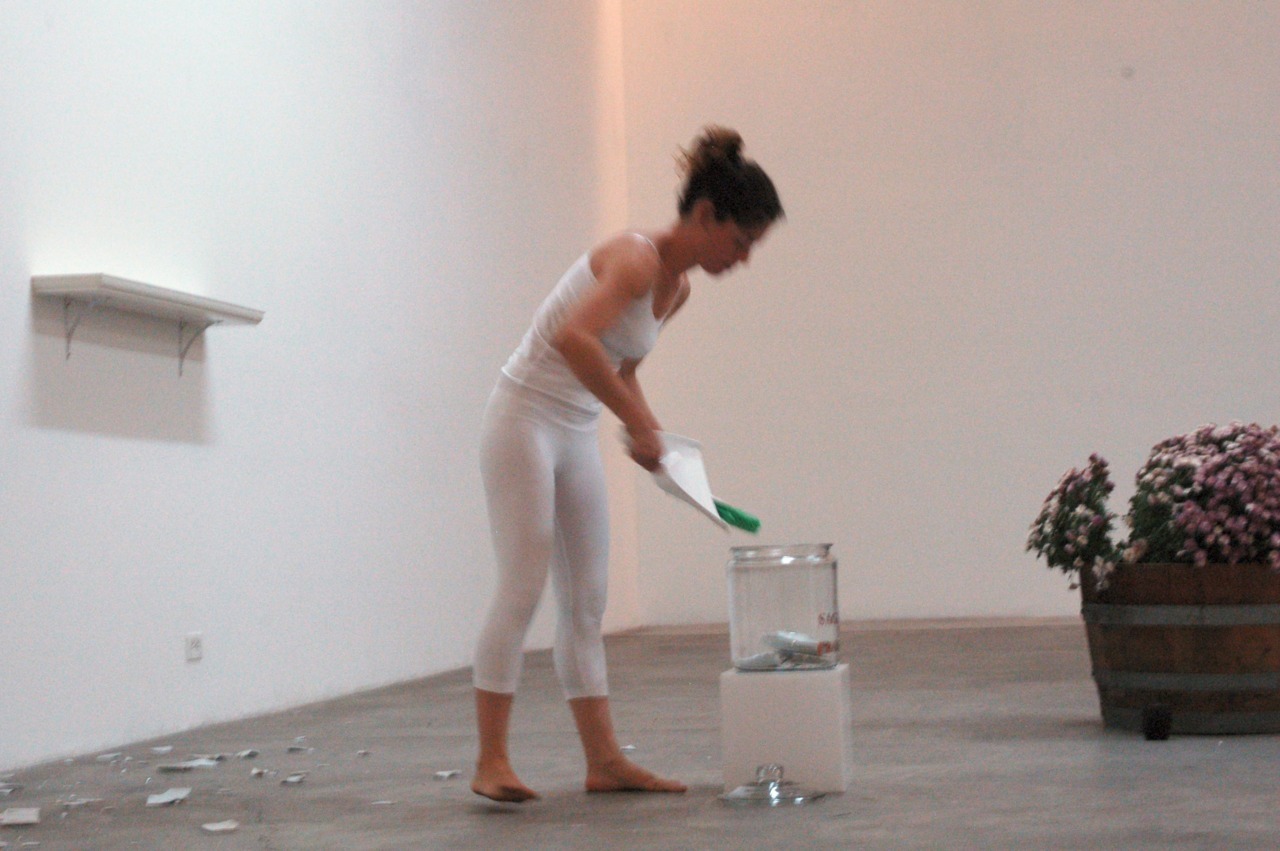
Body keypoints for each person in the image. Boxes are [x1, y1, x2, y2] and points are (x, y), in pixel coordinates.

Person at [471, 126, 784, 802]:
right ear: (706, 215)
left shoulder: (677, 289)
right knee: (522, 586)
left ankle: (605, 760)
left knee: (587, 600)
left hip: (575, 427)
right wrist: (638, 425)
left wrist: (658, 443)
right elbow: (574, 339)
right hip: (523, 418)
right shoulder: (635, 259)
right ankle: (490, 759)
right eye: (740, 241)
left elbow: (622, 369)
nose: (743, 259)